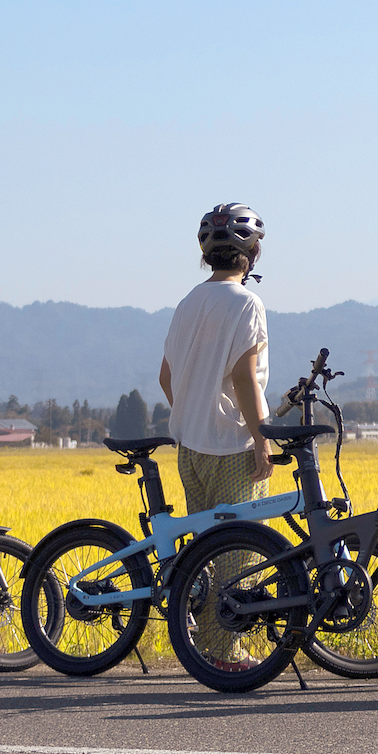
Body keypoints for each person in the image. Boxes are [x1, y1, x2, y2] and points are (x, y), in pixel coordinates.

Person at [159, 204, 272, 669]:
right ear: (253, 253)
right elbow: (245, 378)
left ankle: (206, 647)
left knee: (204, 549)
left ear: (206, 255)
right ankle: (225, 652)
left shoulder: (189, 302)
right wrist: (261, 437)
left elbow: (166, 376)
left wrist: (193, 410)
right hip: (230, 445)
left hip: (190, 446)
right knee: (238, 553)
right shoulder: (246, 303)